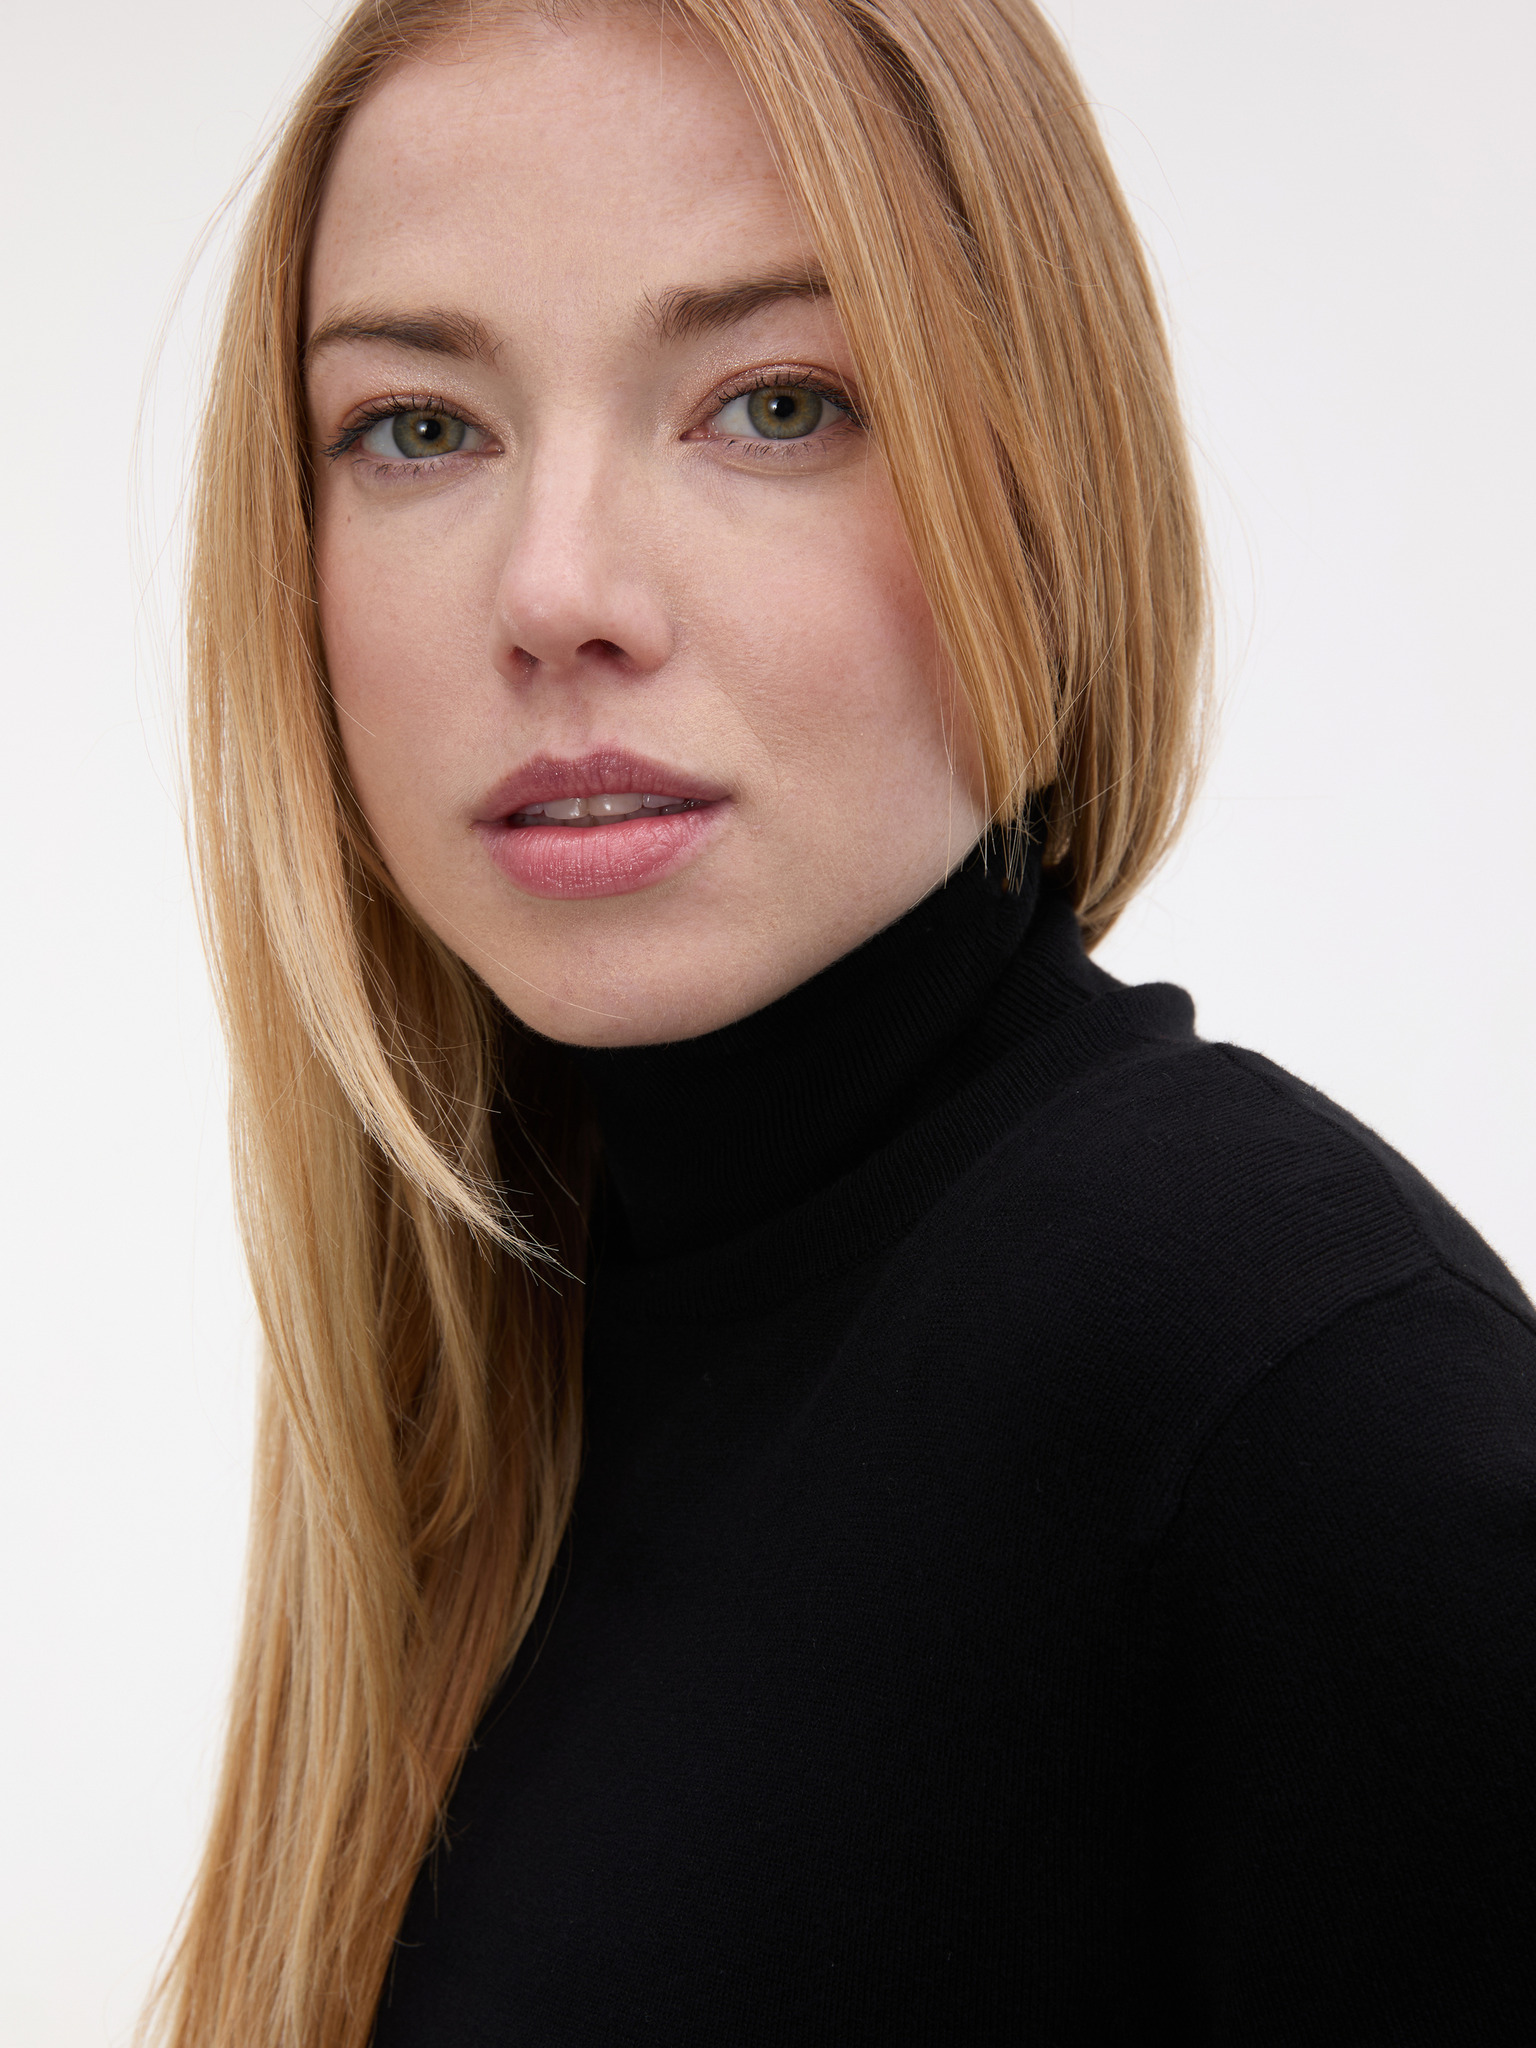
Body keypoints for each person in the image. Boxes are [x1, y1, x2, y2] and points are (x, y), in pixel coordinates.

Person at [146, 2, 1536, 2043]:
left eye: (775, 404)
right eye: (420, 428)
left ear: (1040, 486)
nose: (557, 590)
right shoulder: (524, 1345)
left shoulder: (1285, 1387)